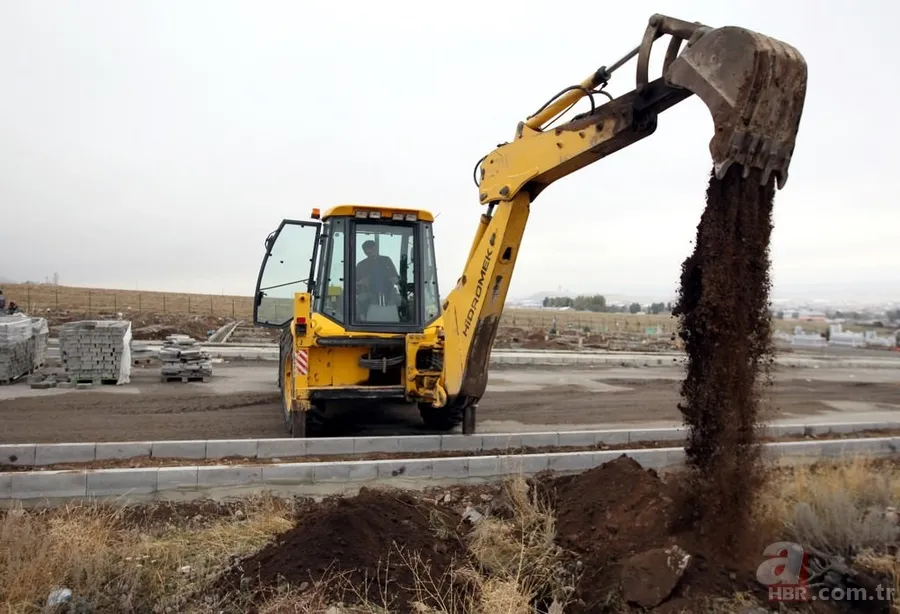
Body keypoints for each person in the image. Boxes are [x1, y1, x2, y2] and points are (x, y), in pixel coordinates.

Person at [356, 240, 399, 309]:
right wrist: (361, 282)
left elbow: (396, 278)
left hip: (389, 292)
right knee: (363, 302)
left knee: (401, 302)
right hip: (369, 293)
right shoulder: (361, 265)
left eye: (373, 251)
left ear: (376, 249)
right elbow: (354, 283)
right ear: (365, 252)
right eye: (369, 253)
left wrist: (395, 280)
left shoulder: (387, 260)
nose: (372, 254)